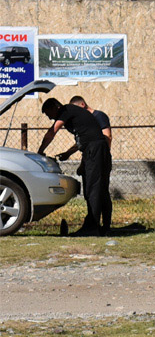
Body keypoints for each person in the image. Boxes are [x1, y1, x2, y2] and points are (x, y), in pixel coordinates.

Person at [38, 97, 111, 235]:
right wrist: (67, 154)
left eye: (49, 114)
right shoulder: (73, 114)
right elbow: (85, 138)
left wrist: (40, 151)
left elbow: (52, 131)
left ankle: (93, 228)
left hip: (96, 150)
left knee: (93, 190)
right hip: (93, 150)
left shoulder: (65, 110)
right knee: (95, 189)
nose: (50, 118)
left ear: (55, 107)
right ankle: (100, 227)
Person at [70, 95, 113, 233]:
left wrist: (101, 158)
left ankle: (104, 226)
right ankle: (94, 223)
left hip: (99, 158)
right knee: (91, 192)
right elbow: (84, 142)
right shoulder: (84, 121)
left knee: (101, 192)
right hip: (90, 158)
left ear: (82, 104)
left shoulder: (98, 116)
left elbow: (107, 137)